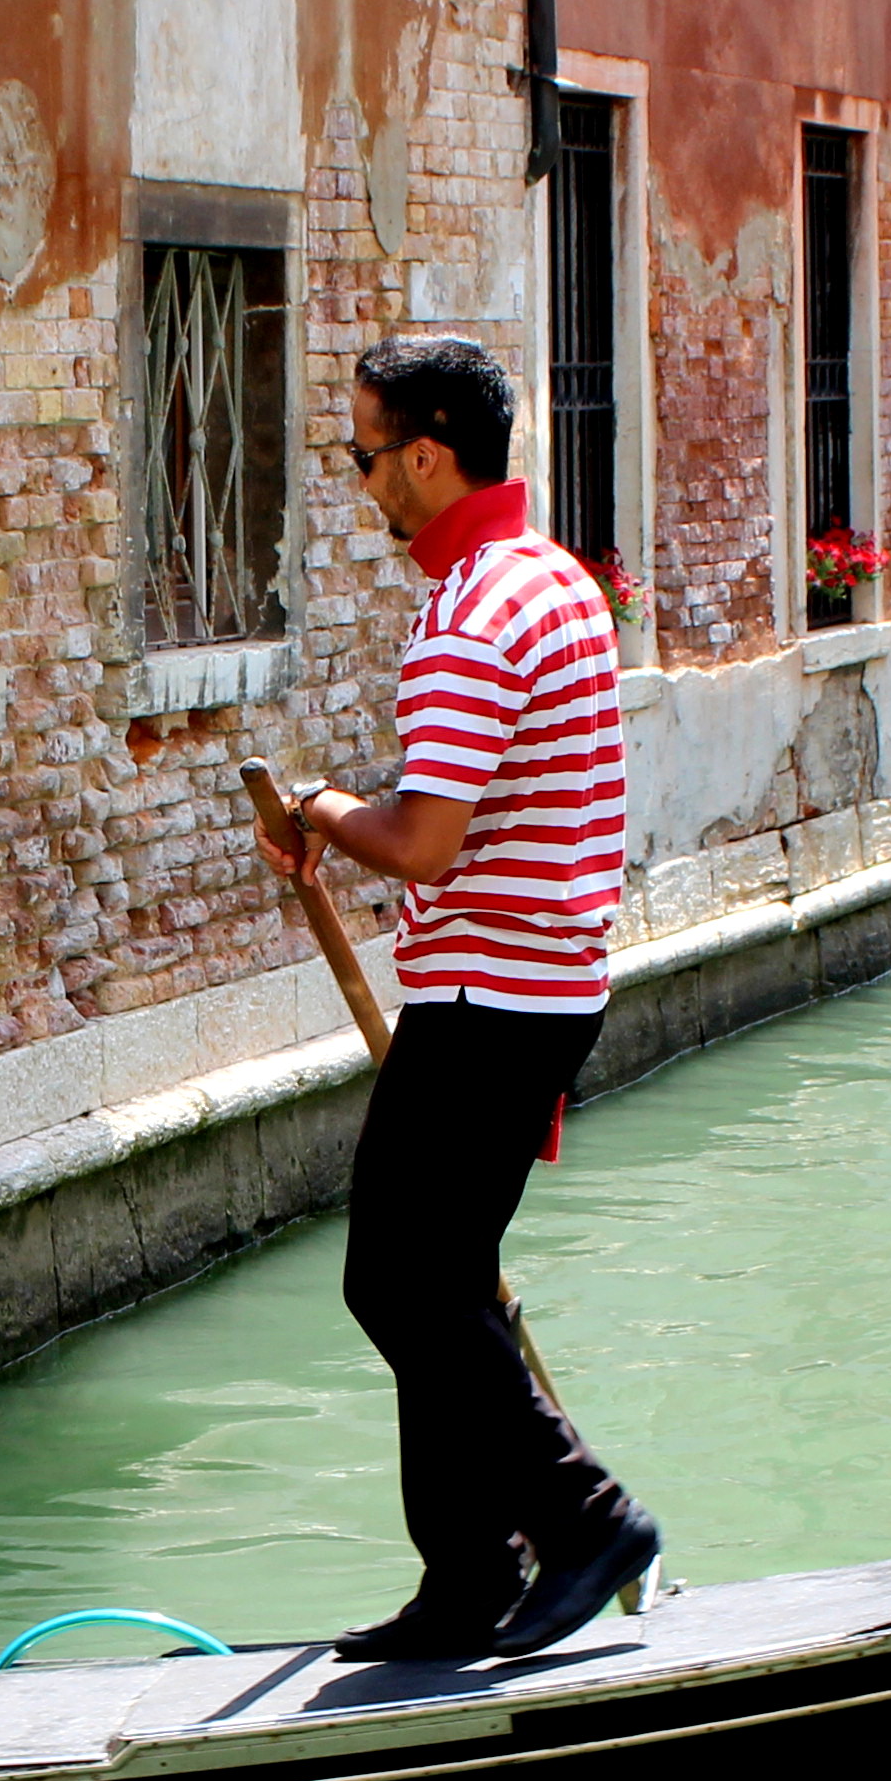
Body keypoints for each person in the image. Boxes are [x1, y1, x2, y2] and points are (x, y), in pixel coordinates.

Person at [258, 334, 658, 1663]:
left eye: (365, 455)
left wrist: (322, 809)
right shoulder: (552, 581)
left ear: (428, 455)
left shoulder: (470, 615)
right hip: (546, 988)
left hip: (488, 998)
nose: (362, 481)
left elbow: (428, 844)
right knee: (437, 1284)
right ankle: (469, 1575)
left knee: (399, 1283)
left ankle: (586, 1520)